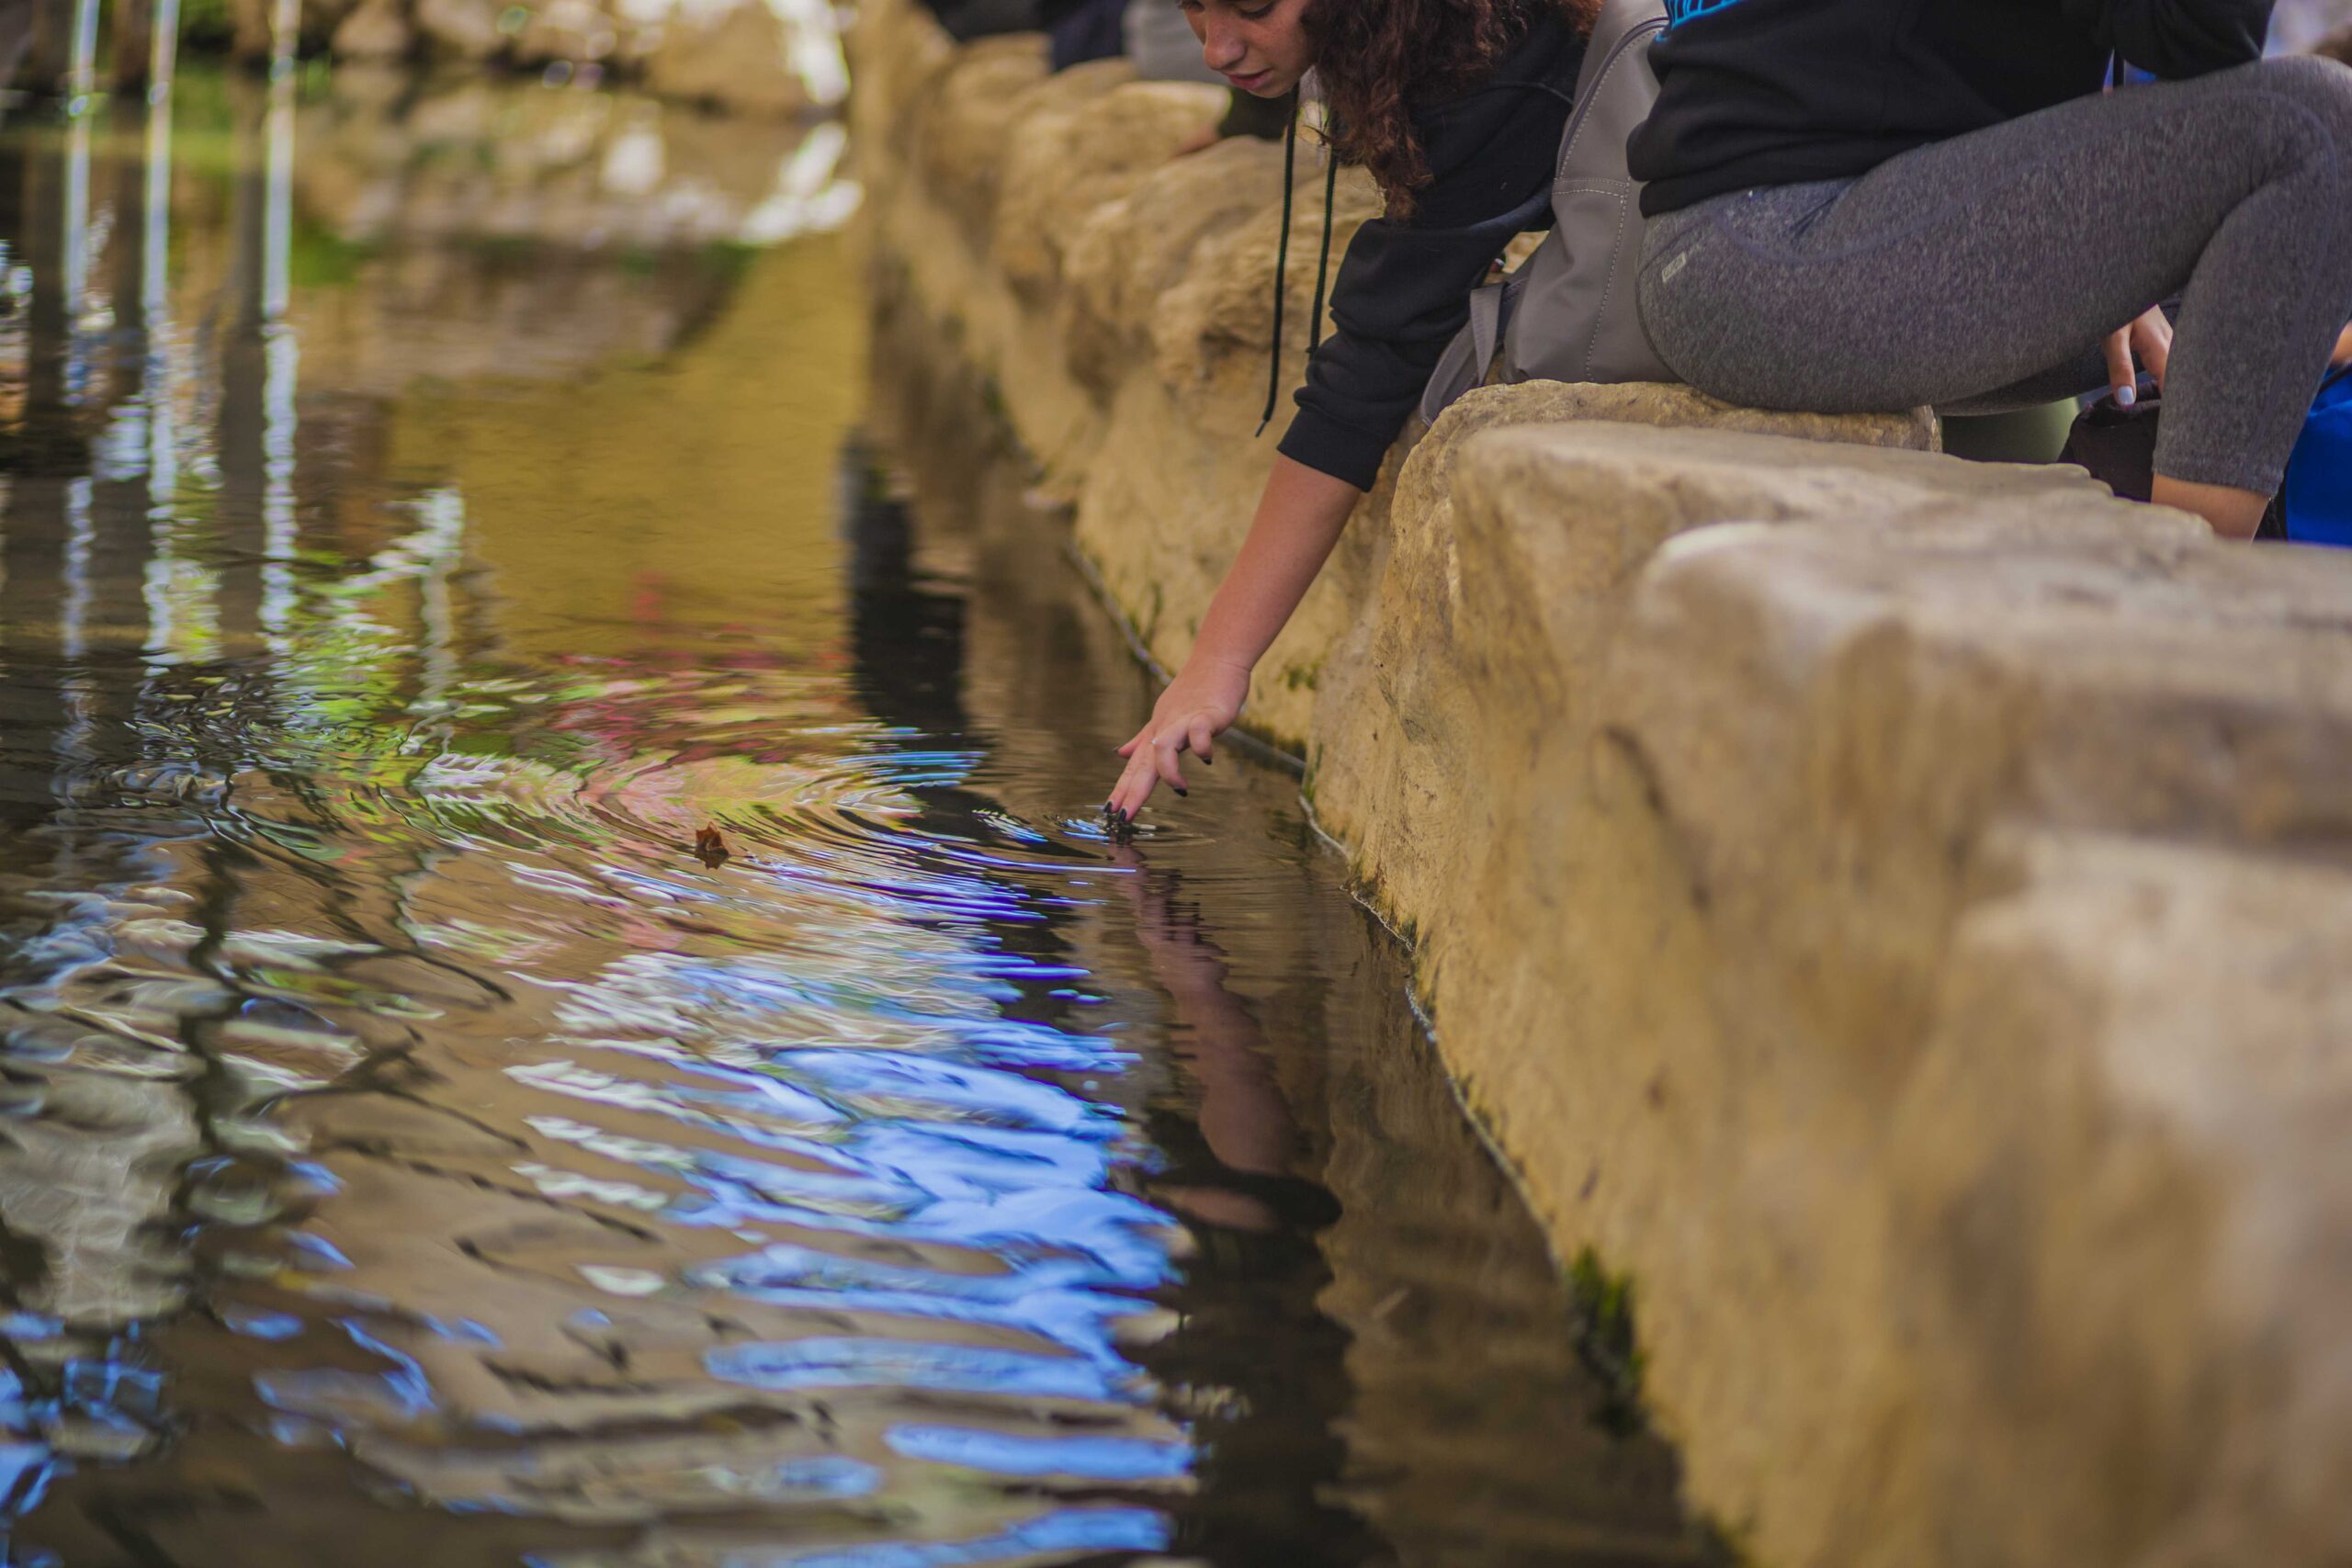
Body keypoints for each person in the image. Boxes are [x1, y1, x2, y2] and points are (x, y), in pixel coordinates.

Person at [1105, 0, 1600, 819]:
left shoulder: (1497, 58)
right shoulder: (1415, 26)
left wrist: (1216, 661)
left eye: (1254, 8)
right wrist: (1250, 115)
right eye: (1193, 9)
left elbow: (1376, 357)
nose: (1216, 47)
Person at [1627, 0, 2352, 545]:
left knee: (2285, 279)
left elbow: (2187, 40)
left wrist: (2110, 230)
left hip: (1838, 224)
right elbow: (2205, 36)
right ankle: (2183, 628)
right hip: (1769, 244)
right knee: (2315, 129)